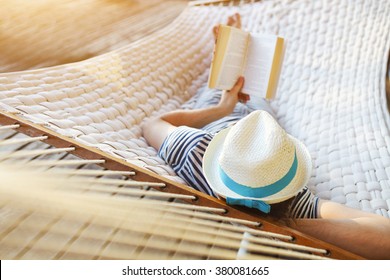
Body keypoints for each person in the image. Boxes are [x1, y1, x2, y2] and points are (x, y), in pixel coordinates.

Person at [142, 14, 390, 259]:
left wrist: (221, 109)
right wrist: (284, 226)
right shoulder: (293, 202)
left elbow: (154, 123)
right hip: (259, 120)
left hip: (216, 116)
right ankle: (233, 40)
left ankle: (229, 43)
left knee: (225, 81)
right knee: (251, 84)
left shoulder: (197, 150)